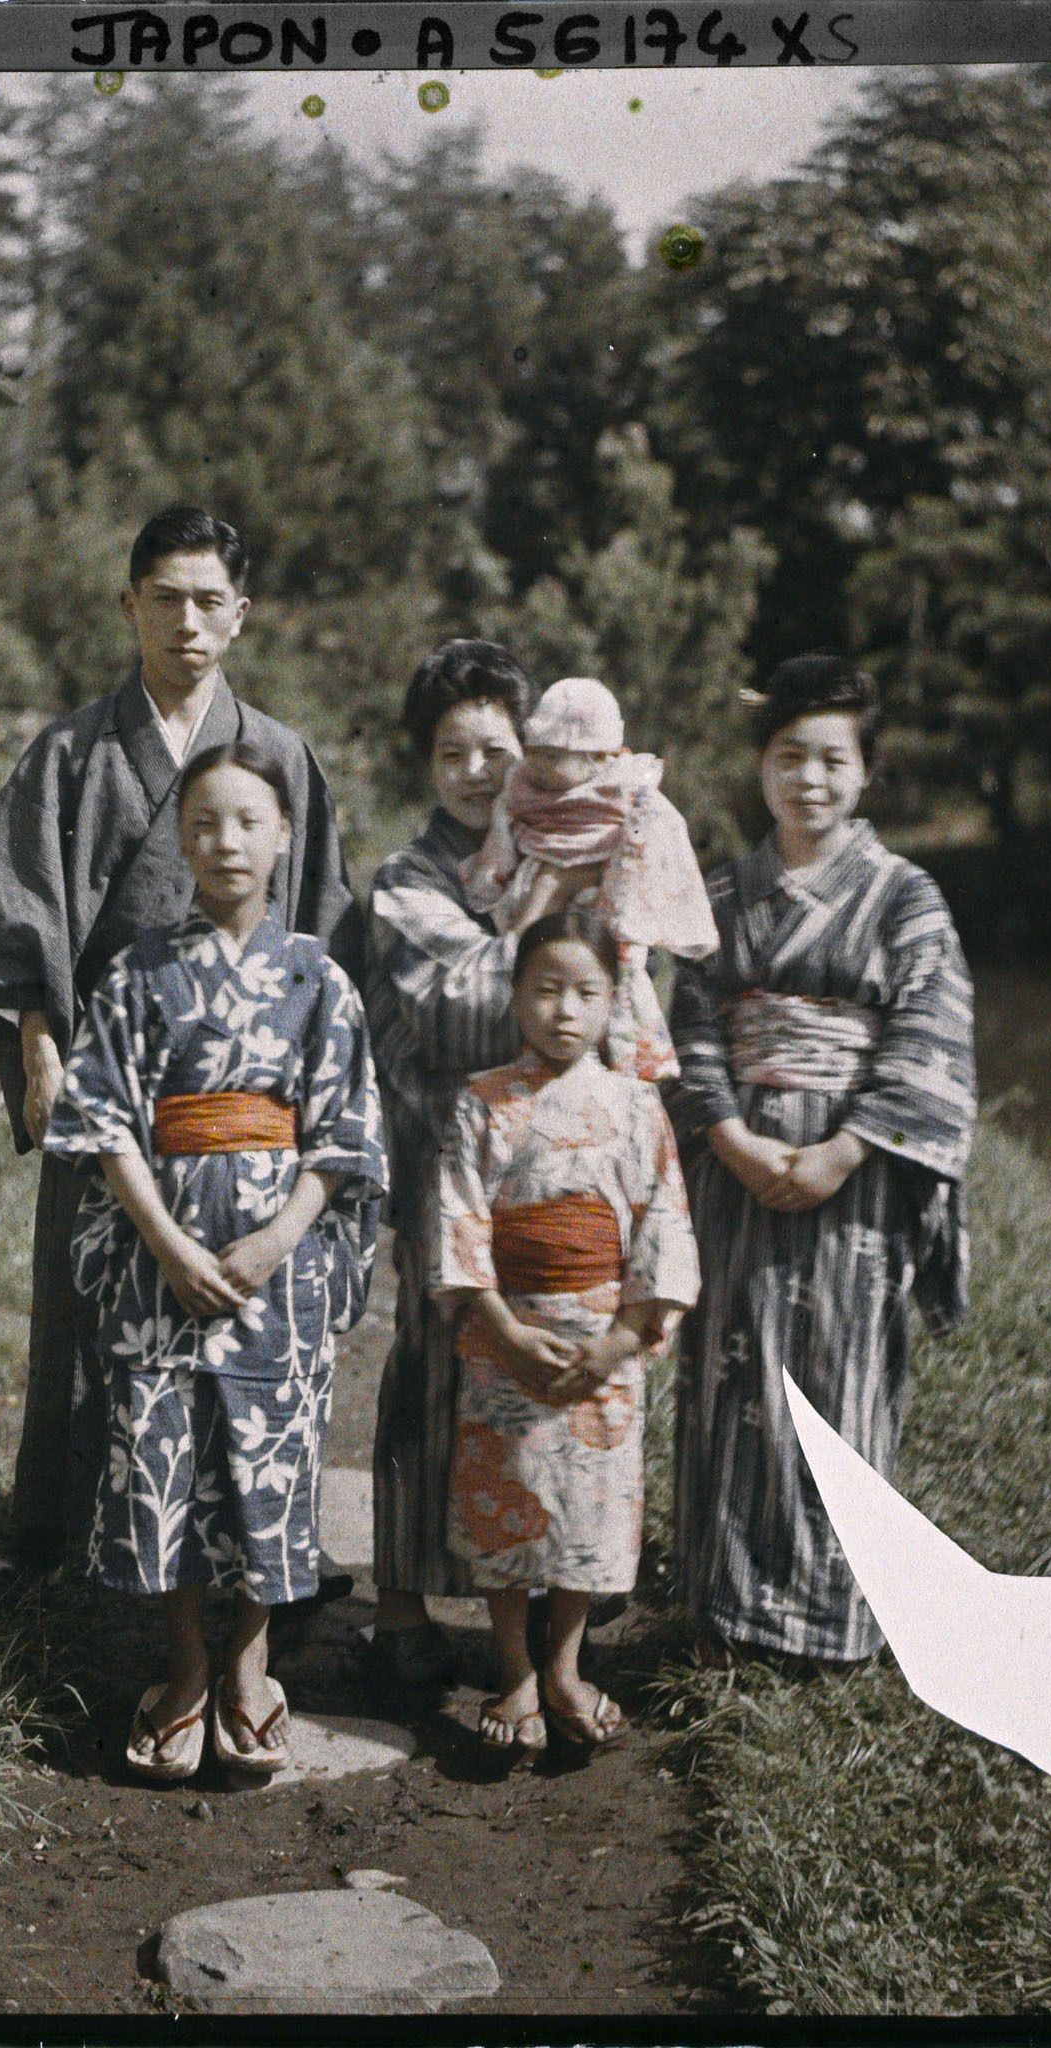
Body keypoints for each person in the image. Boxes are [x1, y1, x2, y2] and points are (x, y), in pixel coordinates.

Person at [0, 507, 361, 1577]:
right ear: (129, 605)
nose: (187, 621)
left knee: (236, 1322)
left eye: (210, 600)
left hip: (242, 1097)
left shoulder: (279, 758)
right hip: (104, 1072)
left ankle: (236, 1557)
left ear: (241, 615)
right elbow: (14, 916)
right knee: (86, 1310)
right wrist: (35, 1044)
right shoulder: (73, 751)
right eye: (165, 597)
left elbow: (323, 936)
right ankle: (61, 1545)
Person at [42, 743, 386, 1780]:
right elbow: (103, 1122)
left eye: (248, 820)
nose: (225, 841)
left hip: (276, 1267)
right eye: (204, 823)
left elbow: (345, 1136)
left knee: (265, 1462)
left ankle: (252, 1663)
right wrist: (169, 1241)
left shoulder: (318, 976)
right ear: (182, 840)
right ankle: (184, 1665)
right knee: (167, 1464)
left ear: (284, 836)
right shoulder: (140, 972)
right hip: (164, 1259)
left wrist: (281, 1235)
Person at [668, 655, 976, 1666]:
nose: (809, 777)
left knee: (838, 1372)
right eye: (789, 754)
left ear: (865, 772)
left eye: (832, 758)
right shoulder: (719, 893)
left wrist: (842, 1148)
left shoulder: (903, 896)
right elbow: (690, 1028)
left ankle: (828, 1619)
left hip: (855, 1168)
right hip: (735, 1159)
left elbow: (928, 1035)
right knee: (731, 1365)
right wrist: (728, 1133)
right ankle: (722, 1609)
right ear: (760, 766)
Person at [362, 641, 600, 1698]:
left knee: (552, 1376)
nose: (471, 770)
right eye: (449, 750)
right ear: (425, 763)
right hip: (438, 1159)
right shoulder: (404, 881)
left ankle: (552, 1616)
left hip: (556, 1166)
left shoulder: (573, 852)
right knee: (428, 1368)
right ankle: (405, 1602)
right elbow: (460, 1008)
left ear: (528, 756)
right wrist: (538, 903)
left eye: (493, 749)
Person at [433, 910, 701, 1757]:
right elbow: (458, 1221)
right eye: (544, 989)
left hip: (601, 1340)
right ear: (514, 997)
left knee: (587, 1508)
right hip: (508, 1332)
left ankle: (563, 1663)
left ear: (613, 1001)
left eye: (585, 992)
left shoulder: (635, 1105)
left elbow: (664, 1225)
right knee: (508, 1497)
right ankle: (511, 1666)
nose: (563, 1010)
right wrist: (504, 1331)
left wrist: (621, 1342)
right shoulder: (483, 1103)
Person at [463, 675, 717, 1080]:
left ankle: (629, 1056)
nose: (540, 766)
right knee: (535, 991)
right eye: (537, 752)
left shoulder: (629, 790)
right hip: (532, 903)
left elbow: (657, 842)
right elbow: (502, 831)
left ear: (600, 758)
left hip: (606, 904)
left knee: (614, 987)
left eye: (557, 755)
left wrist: (620, 905)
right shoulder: (522, 785)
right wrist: (497, 877)